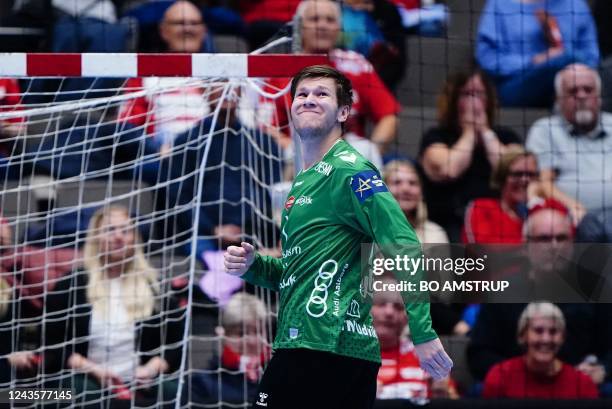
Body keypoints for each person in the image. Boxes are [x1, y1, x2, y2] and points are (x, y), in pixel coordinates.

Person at [223, 65, 452, 409]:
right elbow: (298, 275)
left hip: (326, 345)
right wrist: (254, 267)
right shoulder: (302, 182)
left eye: (321, 94)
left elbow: (403, 243)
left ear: (344, 112)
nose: (309, 100)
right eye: (302, 94)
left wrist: (422, 331)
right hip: (313, 344)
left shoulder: (351, 170)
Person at [44, 206, 184, 405]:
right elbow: (53, 343)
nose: (119, 236)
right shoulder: (71, 284)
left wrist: (150, 369)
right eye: (110, 230)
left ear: (134, 238)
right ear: (96, 238)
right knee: (76, 392)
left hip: (141, 381)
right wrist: (93, 369)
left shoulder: (155, 286)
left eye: (125, 231)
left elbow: (175, 344)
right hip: (87, 378)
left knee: (179, 390)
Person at [467, 203, 611, 390]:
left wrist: (604, 369)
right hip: (518, 387)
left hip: (577, 388)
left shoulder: (594, 289)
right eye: (544, 239)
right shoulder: (503, 291)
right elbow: (479, 354)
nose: (553, 246)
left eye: (561, 238)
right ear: (525, 246)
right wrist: (517, 372)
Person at [262, 0, 400, 159]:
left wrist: (369, 155)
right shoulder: (279, 69)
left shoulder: (356, 64)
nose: (322, 25)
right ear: (299, 27)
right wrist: (299, 156)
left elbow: (389, 117)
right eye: (314, 19)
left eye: (330, 20)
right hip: (296, 161)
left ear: (339, 27)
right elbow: (267, 128)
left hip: (349, 159)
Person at [419, 69, 521, 242]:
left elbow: (511, 172)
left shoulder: (506, 137)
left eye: (479, 94)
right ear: (453, 100)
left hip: (497, 221)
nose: (474, 102)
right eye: (466, 94)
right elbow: (450, 169)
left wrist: (485, 132)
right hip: (451, 222)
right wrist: (469, 132)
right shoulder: (436, 136)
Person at [120, 0, 213, 153]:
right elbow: (128, 128)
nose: (188, 29)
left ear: (204, 30)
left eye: (194, 23)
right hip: (162, 160)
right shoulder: (144, 75)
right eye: (179, 23)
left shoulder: (225, 74)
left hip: (215, 155)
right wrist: (155, 149)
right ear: (163, 30)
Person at [526, 63, 612, 221]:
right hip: (572, 219)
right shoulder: (545, 130)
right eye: (573, 91)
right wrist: (575, 208)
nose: (581, 96)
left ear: (599, 97)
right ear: (559, 99)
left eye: (588, 90)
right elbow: (543, 183)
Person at [476, 0, 599, 107]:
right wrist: (534, 61)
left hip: (572, 86)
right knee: (568, 59)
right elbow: (488, 58)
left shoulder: (576, 5)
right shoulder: (500, 4)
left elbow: (592, 58)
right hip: (516, 86)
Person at [483, 302, 598, 398]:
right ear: (523, 335)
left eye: (553, 332)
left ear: (563, 338)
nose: (546, 339)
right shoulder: (500, 377)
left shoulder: (582, 384)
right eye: (538, 331)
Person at [373, 276, 458, 400]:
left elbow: (453, 400)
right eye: (381, 304)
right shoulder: (349, 356)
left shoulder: (428, 354)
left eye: (398, 307)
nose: (389, 313)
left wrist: (441, 394)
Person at [189, 292, 271, 405]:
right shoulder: (202, 383)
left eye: (259, 331)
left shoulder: (280, 374)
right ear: (223, 334)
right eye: (241, 333)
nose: (252, 341)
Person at [462, 148, 539, 244]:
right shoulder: (482, 208)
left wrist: (534, 204)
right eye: (517, 174)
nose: (525, 180)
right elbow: (483, 251)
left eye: (531, 174)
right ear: (502, 177)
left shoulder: (540, 210)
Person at [383, 160, 448, 244]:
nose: (406, 189)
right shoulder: (369, 232)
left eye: (412, 183)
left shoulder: (435, 233)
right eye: (397, 182)